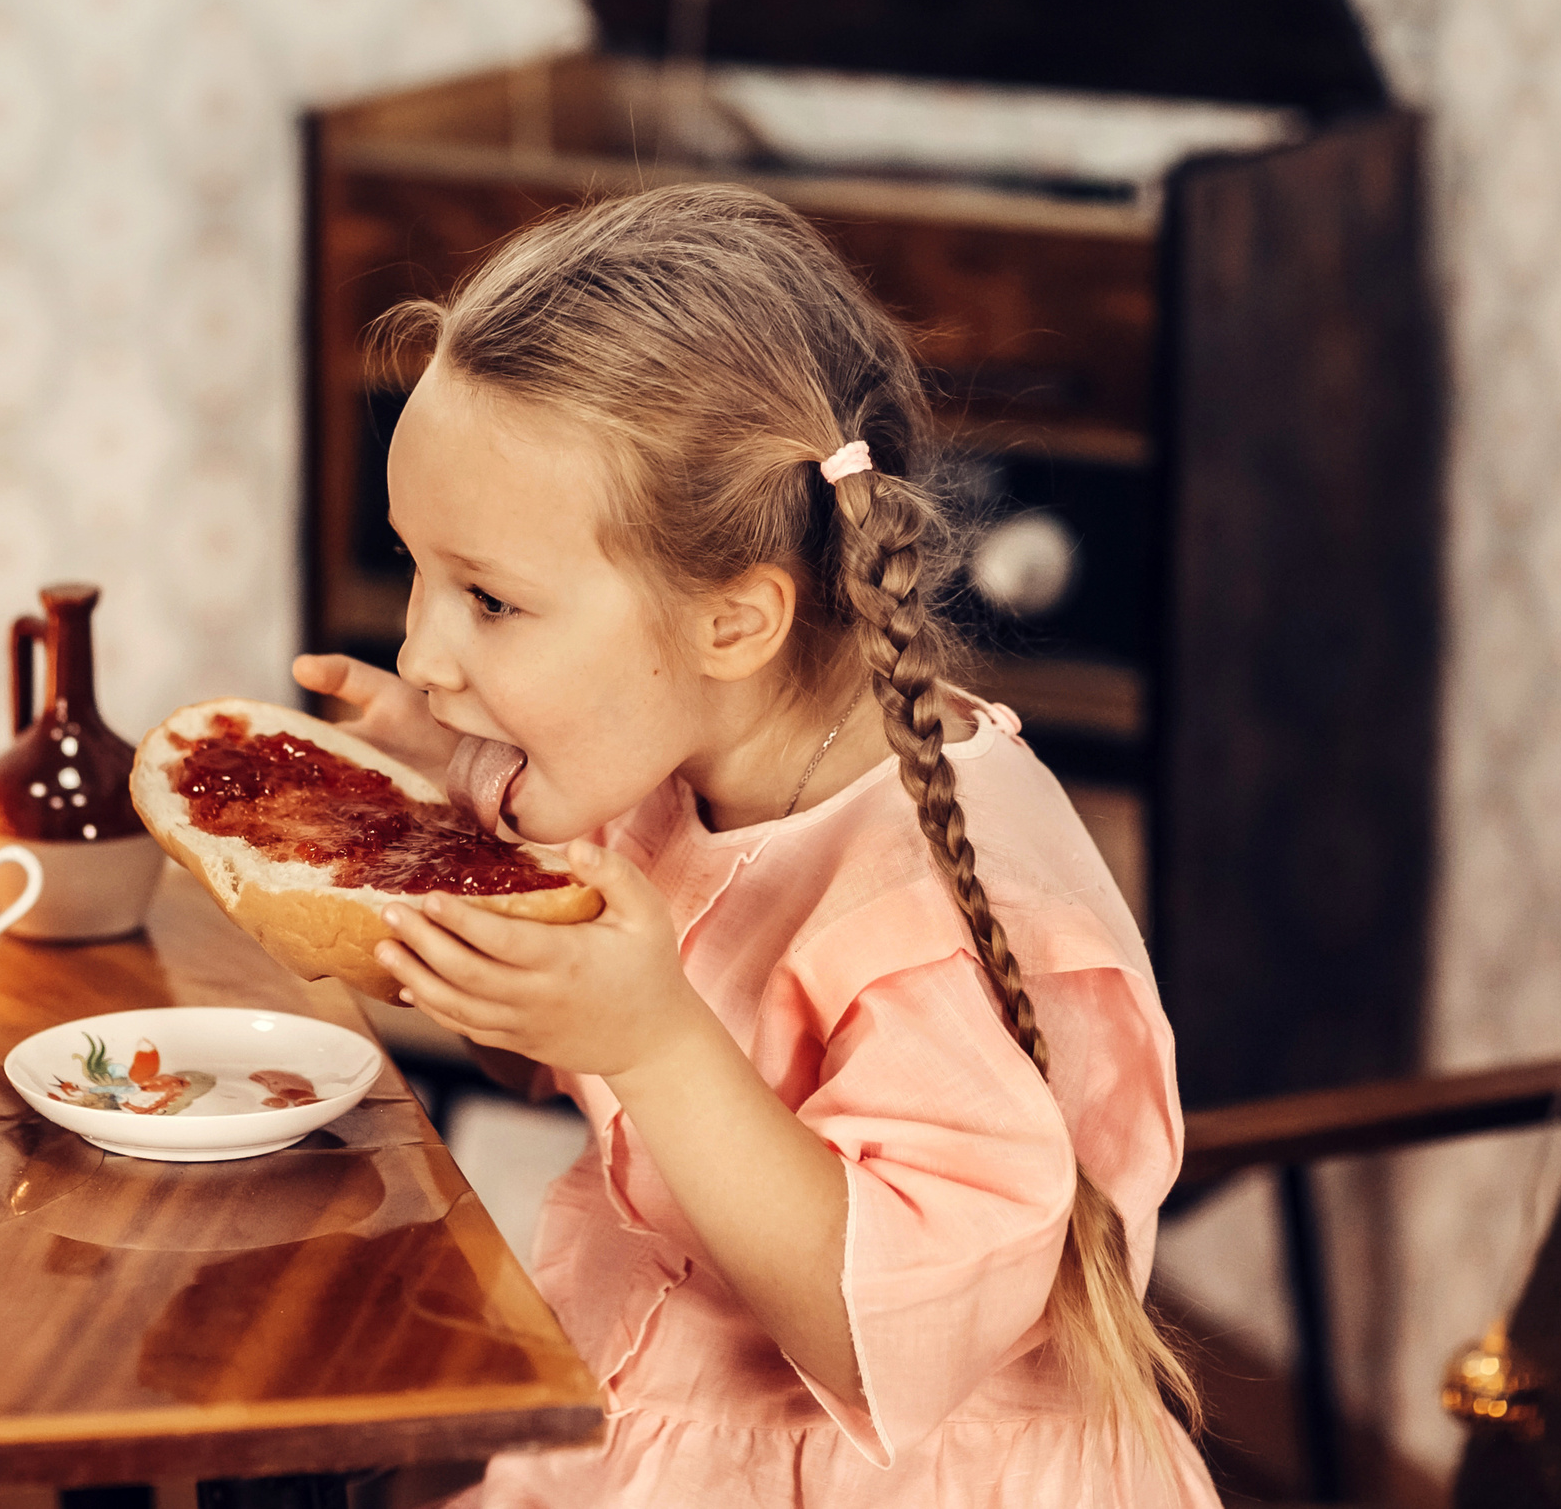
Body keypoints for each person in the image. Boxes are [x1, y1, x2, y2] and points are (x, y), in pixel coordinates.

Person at [294, 184, 1218, 1508]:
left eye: (492, 600)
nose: (422, 655)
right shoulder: (674, 765)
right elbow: (553, 1056)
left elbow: (881, 1332)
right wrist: (456, 787)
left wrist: (656, 1040)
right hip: (659, 1420)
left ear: (735, 624)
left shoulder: (937, 917)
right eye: (417, 573)